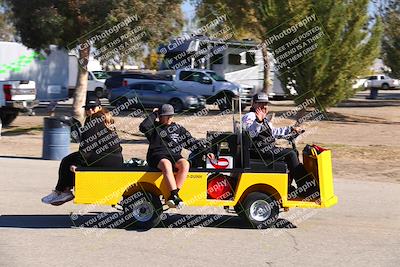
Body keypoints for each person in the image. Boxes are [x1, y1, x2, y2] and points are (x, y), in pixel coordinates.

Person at [41, 95, 124, 205]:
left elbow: (87, 145)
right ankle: (62, 190)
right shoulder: (105, 118)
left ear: (99, 107)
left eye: (93, 107)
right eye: (87, 108)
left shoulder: (93, 119)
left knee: (67, 161)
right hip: (114, 158)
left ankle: (63, 191)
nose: (90, 110)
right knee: (70, 159)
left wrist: (79, 164)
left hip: (104, 157)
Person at [139, 104, 214, 208]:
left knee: (185, 164)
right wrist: (154, 113)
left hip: (174, 156)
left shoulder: (178, 129)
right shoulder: (153, 127)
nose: (170, 118)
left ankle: (174, 195)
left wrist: (206, 151)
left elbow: (191, 142)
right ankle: (175, 196)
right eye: (166, 115)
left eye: (171, 115)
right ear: (160, 116)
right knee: (166, 164)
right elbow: (143, 126)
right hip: (157, 156)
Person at [242, 93, 312, 197]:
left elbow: (273, 132)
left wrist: (290, 129)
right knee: (291, 154)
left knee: (293, 153)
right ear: (253, 104)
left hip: (265, 148)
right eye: (260, 103)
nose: (263, 106)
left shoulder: (263, 117)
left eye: (265, 103)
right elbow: (251, 132)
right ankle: (305, 188)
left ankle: (289, 186)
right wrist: (258, 121)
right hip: (258, 151)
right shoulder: (250, 116)